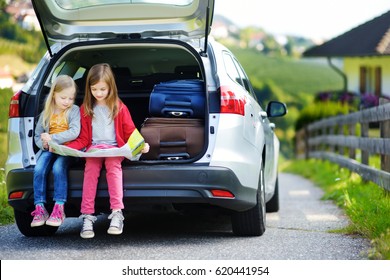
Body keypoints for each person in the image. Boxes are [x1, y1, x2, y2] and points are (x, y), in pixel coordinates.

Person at [66, 63, 149, 239]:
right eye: (94, 89)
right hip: (94, 149)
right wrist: (66, 147)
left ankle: (117, 212)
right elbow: (82, 138)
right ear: (89, 88)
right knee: (91, 169)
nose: (99, 93)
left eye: (103, 89)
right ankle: (87, 215)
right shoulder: (86, 109)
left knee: (113, 167)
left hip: (114, 148)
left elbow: (130, 131)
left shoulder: (119, 107)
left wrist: (141, 144)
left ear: (111, 87)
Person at [31, 75, 80, 228]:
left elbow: (74, 132)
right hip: (50, 149)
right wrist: (44, 145)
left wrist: (52, 137)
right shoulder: (47, 112)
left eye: (71, 98)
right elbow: (38, 134)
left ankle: (59, 207)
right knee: (39, 169)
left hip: (67, 150)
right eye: (63, 97)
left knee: (58, 168)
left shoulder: (74, 110)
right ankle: (39, 208)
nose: (67, 102)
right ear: (54, 95)